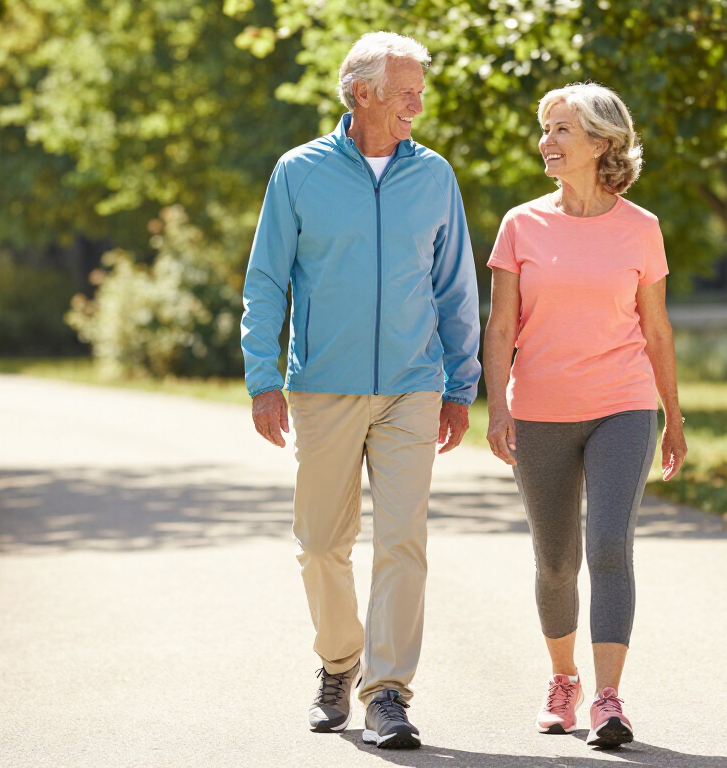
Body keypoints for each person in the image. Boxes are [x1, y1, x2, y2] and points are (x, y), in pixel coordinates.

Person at [240, 31, 480, 751]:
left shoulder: (434, 175)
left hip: (413, 385)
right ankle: (338, 661)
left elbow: (455, 285)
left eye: (420, 90)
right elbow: (266, 280)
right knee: (320, 543)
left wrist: (460, 384)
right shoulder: (299, 172)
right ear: (362, 92)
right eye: (407, 90)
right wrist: (262, 377)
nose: (419, 102)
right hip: (323, 387)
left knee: (404, 541)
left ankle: (388, 694)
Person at [482, 82, 686, 750]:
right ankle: (562, 679)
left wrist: (674, 417)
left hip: (623, 405)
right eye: (544, 128)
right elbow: (501, 325)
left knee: (608, 546)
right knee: (556, 561)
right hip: (539, 409)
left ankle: (607, 698)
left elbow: (656, 331)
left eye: (561, 129)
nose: (546, 141)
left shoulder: (642, 228)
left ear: (601, 141)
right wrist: (498, 405)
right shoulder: (520, 225)